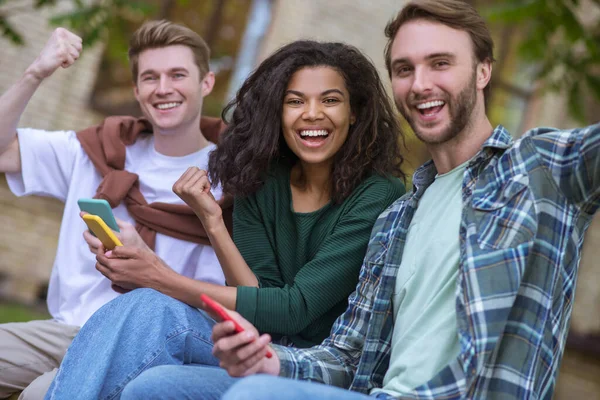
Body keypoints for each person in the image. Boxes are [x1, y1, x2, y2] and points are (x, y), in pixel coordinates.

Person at [204, 1, 600, 399]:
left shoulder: (536, 169)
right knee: (166, 385)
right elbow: (347, 356)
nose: (420, 84)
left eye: (440, 63)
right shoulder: (396, 217)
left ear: (483, 71)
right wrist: (270, 360)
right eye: (404, 69)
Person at [44, 40, 407, 400]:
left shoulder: (376, 194)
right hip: (248, 346)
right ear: (276, 113)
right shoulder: (261, 178)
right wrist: (213, 221)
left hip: (310, 368)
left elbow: (294, 310)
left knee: (151, 369)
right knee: (147, 307)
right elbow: (259, 301)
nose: (312, 113)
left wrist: (161, 277)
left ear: (355, 111)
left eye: (330, 100)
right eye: (295, 101)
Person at [0, 20, 229, 400]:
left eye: (178, 75)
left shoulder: (230, 178)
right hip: (68, 328)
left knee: (41, 395)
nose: (164, 88)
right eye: (151, 78)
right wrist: (35, 72)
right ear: (137, 90)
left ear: (207, 83)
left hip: (146, 343)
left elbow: (218, 307)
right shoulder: (98, 150)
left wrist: (146, 261)